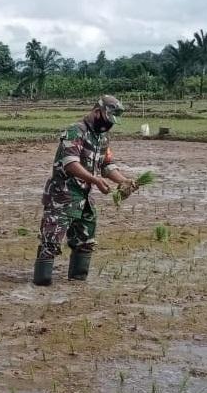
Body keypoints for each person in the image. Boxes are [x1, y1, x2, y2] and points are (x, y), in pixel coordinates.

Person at [33, 96, 138, 286]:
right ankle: (41, 285)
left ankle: (77, 284)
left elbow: (106, 165)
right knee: (50, 243)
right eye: (106, 120)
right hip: (62, 196)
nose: (108, 125)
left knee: (86, 242)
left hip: (85, 198)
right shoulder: (76, 131)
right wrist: (95, 180)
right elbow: (70, 164)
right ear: (97, 112)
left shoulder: (102, 137)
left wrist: (123, 181)